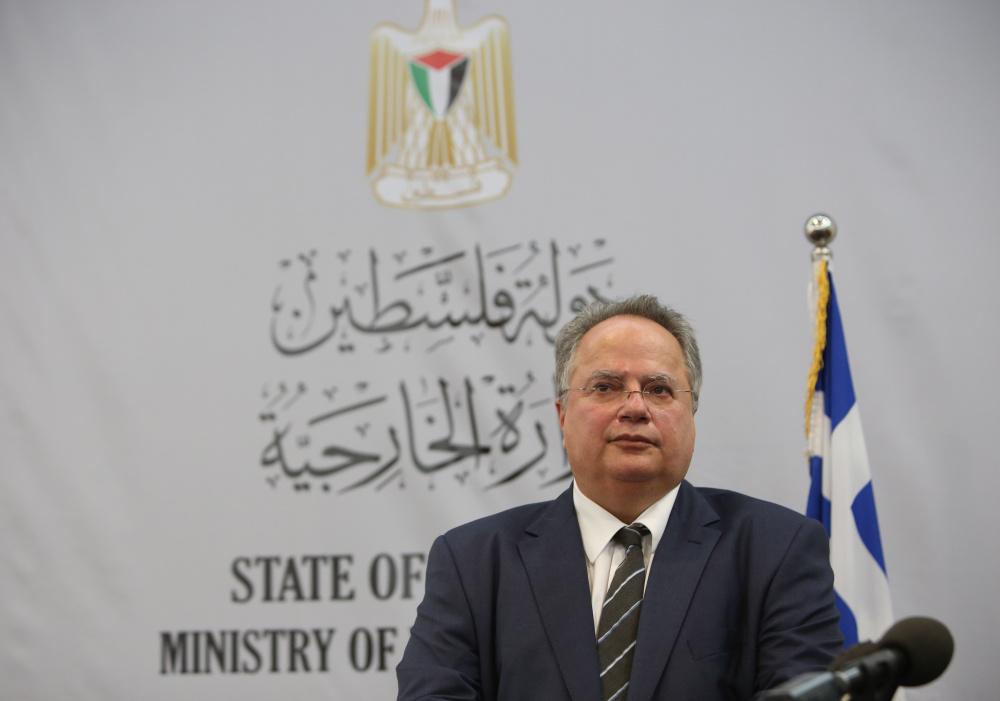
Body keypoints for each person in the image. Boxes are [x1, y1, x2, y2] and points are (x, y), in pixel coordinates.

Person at [396, 295, 842, 701]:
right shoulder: (474, 562)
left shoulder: (775, 551)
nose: (634, 407)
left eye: (659, 389)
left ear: (692, 414)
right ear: (562, 415)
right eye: (605, 387)